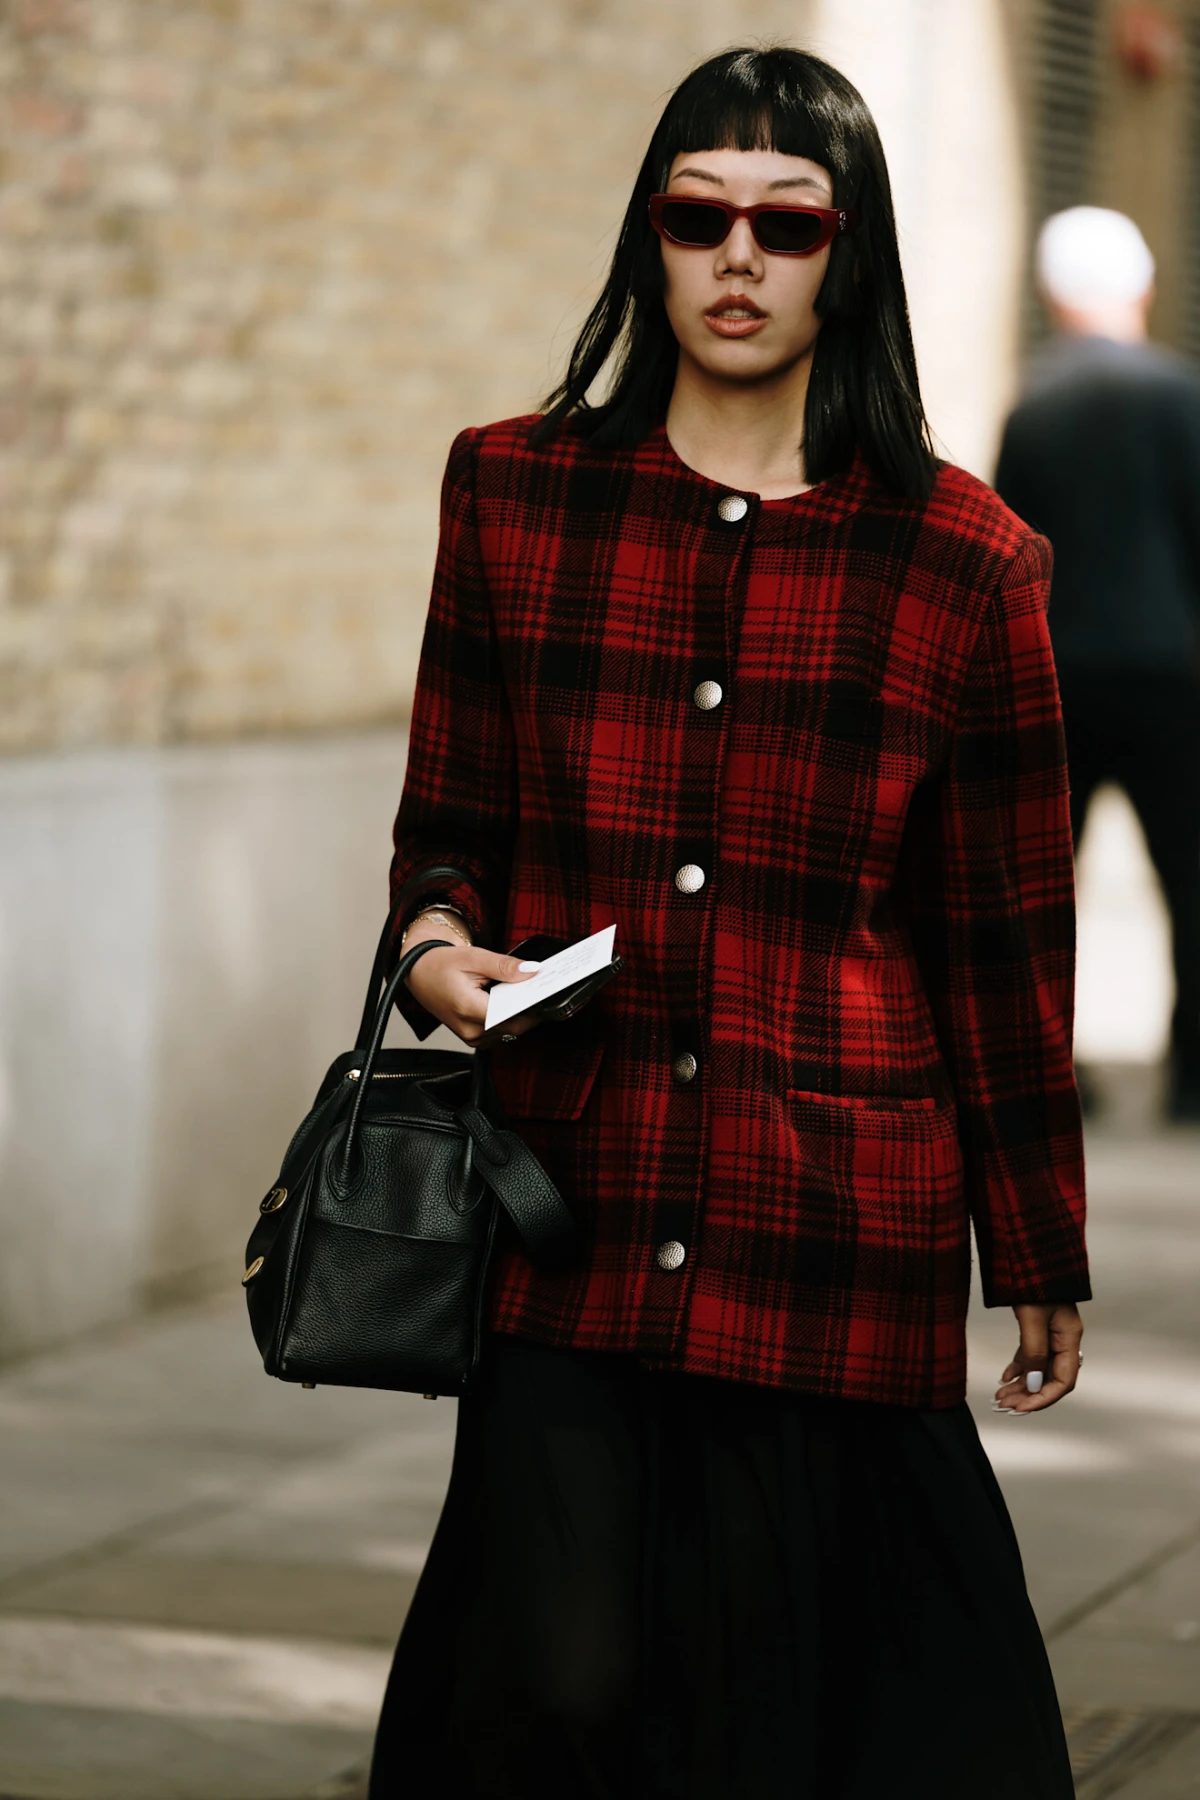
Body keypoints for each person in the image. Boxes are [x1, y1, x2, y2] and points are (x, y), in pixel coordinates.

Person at [369, 47, 1088, 1800]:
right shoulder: (513, 494)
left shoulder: (967, 561)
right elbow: (445, 834)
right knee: (550, 1701)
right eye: (699, 218)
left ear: (853, 250)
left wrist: (1036, 1242)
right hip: (572, 1199)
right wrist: (438, 954)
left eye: (789, 222)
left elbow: (1002, 944)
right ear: (652, 239)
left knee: (827, 1724)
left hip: (834, 1215)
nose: (740, 258)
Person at [996, 205, 1200, 1122]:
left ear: (1050, 295)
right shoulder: (1182, 398)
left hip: (1059, 677)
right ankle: (1193, 1078)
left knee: (1037, 883)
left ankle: (1041, 1070)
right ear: (1145, 286)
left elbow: (1011, 559)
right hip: (1170, 674)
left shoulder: (1033, 410)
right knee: (1192, 876)